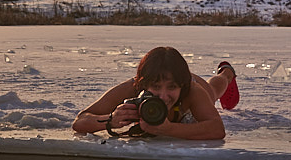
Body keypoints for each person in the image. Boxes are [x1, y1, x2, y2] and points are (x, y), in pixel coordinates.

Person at [72, 46, 239, 140]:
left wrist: (168, 129)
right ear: (143, 84)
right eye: (156, 87)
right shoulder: (133, 88)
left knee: (214, 90)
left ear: (181, 86)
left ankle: (226, 73)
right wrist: (110, 120)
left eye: (171, 87)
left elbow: (217, 129)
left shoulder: (192, 91)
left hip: (196, 87)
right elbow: (80, 121)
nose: (163, 96)